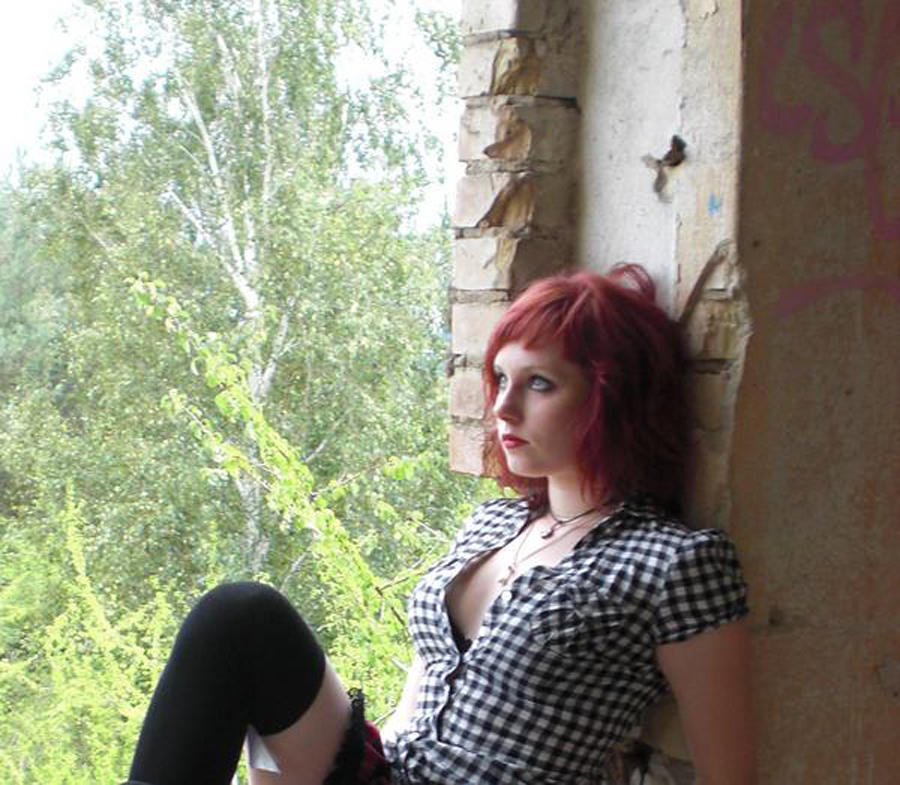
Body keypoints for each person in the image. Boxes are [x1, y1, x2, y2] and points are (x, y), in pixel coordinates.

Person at [123, 265, 755, 785]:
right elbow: (423, 689)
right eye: (500, 378)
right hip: (393, 771)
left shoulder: (676, 562)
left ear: (609, 398)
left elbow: (730, 775)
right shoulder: (493, 524)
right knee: (240, 617)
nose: (503, 406)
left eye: (539, 384)